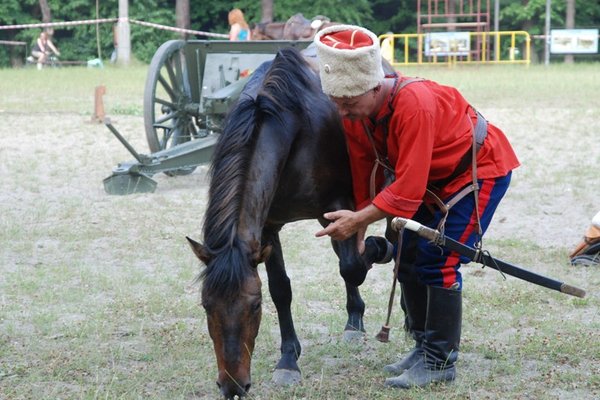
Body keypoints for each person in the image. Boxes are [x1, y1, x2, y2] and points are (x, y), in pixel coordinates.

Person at [313, 25, 520, 388]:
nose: (343, 112)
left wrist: (359, 219)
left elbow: (407, 189)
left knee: (439, 260)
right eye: (337, 103)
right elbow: (366, 170)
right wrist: (360, 228)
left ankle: (440, 362)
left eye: (349, 103)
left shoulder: (414, 104)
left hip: (477, 172)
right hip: (432, 181)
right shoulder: (356, 114)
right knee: (408, 254)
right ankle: (424, 347)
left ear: (375, 86)